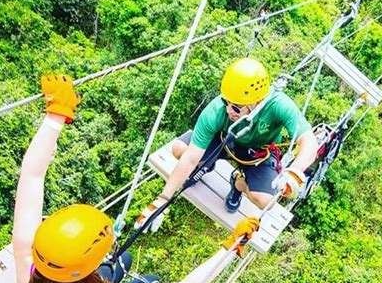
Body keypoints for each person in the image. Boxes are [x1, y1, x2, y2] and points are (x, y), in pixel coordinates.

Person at [12, 74, 259, 283]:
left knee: (122, 261)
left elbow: (32, 176)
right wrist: (230, 248)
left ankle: (113, 277)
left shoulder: (27, 256)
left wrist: (55, 117)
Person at [135, 57, 319, 232]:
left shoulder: (278, 105)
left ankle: (238, 184)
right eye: (227, 102)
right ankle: (206, 165)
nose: (229, 110)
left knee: (266, 202)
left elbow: (309, 141)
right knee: (179, 150)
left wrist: (294, 171)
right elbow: (190, 157)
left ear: (257, 103)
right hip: (224, 141)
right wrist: (161, 201)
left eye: (237, 107)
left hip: (257, 153)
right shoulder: (216, 111)